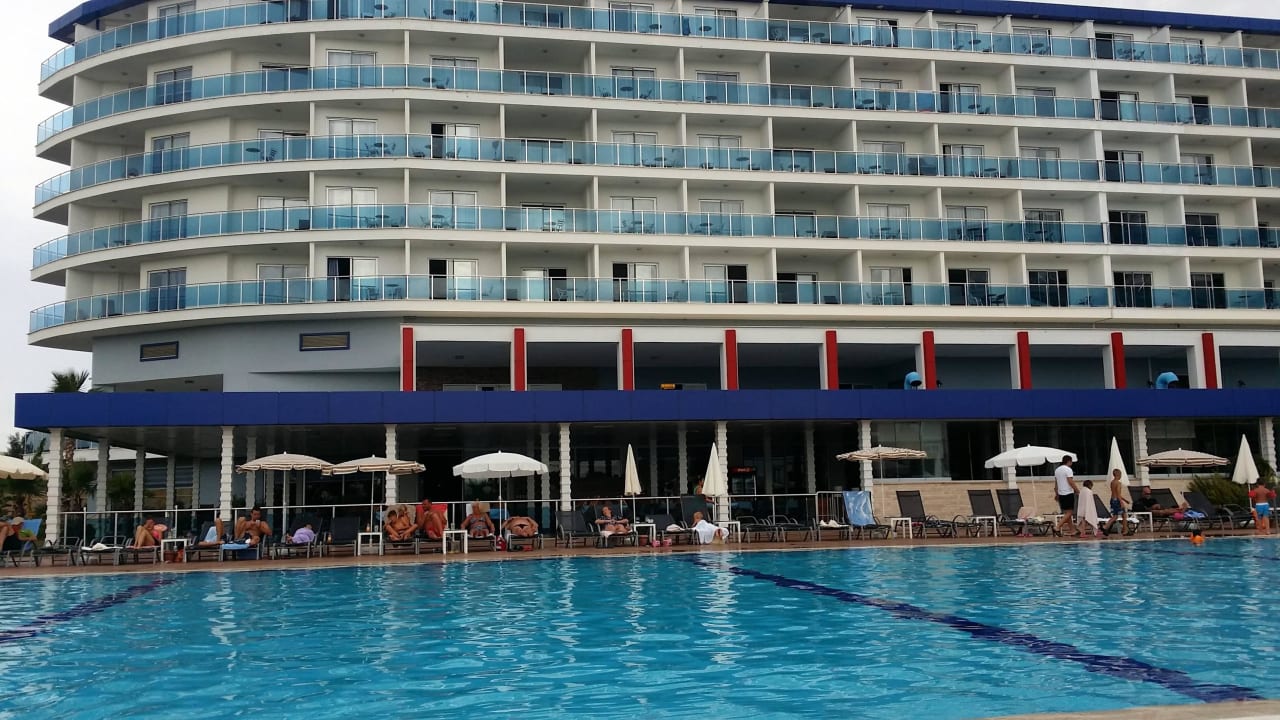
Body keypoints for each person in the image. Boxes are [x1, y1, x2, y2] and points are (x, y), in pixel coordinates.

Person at [1101, 469, 1131, 536]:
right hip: (1117, 501)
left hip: (1112, 500)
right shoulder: (1118, 483)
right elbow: (1118, 494)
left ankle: (1105, 527)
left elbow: (1115, 493)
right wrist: (1121, 502)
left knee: (1116, 516)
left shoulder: (1112, 482)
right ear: (1118, 475)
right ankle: (1125, 531)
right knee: (1123, 515)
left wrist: (1125, 500)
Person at [1054, 455, 1078, 536]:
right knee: (1070, 512)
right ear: (1069, 461)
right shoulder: (1068, 469)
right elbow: (1070, 481)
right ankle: (1057, 527)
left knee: (1067, 513)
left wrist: (1057, 493)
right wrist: (1077, 490)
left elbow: (1056, 483)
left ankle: (1072, 530)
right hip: (1068, 493)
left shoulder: (1057, 470)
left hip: (1061, 494)